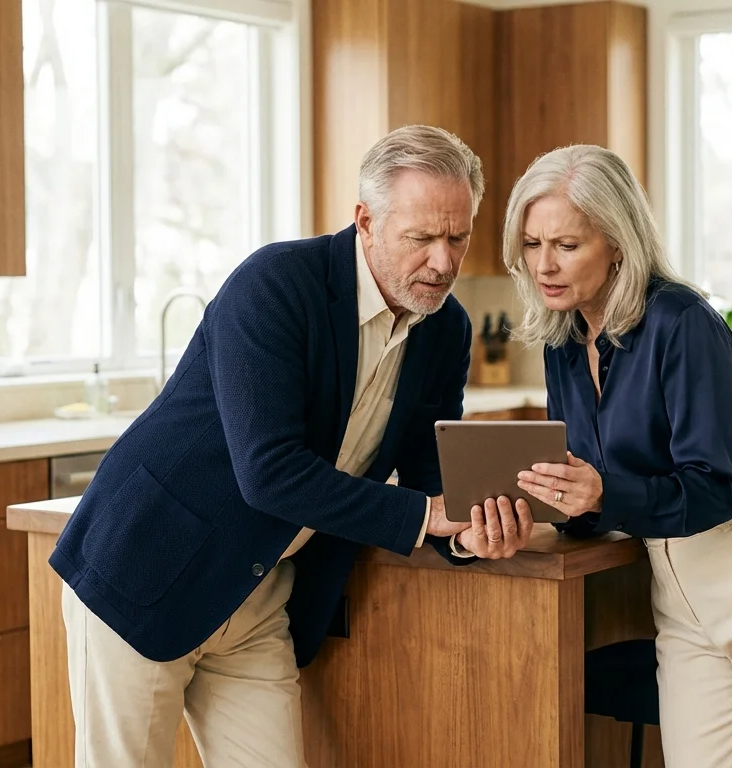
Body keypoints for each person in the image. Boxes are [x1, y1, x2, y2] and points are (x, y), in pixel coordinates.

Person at [50, 124, 534, 767]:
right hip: (146, 572)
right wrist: (425, 517)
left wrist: (467, 533)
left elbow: (427, 473)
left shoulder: (445, 329)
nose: (444, 262)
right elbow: (270, 473)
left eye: (458, 236)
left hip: (257, 598)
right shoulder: (277, 285)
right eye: (421, 238)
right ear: (365, 221)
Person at [508, 144, 732, 767]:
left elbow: (712, 488)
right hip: (680, 593)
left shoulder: (681, 321)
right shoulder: (563, 338)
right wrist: (544, 505)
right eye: (532, 245)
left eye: (566, 245)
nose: (545, 264)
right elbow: (595, 481)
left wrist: (600, 493)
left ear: (617, 242)